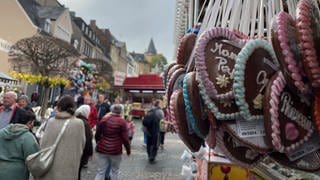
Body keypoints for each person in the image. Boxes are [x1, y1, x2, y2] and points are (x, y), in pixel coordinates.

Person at [38, 95, 85, 180]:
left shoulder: (51, 122)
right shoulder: (79, 124)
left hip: (49, 166)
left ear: (59, 107)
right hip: (69, 168)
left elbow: (43, 144)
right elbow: (81, 145)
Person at [94, 104, 131, 180]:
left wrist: (98, 142)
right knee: (115, 171)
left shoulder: (104, 119)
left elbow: (97, 134)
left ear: (111, 111)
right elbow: (125, 138)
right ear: (121, 112)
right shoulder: (122, 122)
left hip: (102, 148)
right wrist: (128, 150)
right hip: (115, 150)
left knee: (101, 171)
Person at [0, 110, 39, 180]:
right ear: (30, 122)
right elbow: (33, 160)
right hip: (17, 174)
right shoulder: (28, 137)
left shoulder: (2, 132)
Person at [75, 105, 93, 180]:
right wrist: (90, 153)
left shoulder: (75, 119)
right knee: (77, 171)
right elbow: (88, 140)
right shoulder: (85, 123)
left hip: (73, 149)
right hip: (80, 151)